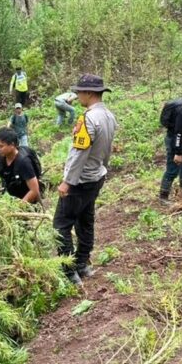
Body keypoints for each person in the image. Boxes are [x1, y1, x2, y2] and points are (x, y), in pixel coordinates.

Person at [54, 74, 117, 286]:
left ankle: (69, 271)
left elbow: (80, 153)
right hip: (96, 177)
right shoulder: (108, 116)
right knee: (86, 220)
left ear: (89, 93)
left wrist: (68, 182)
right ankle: (83, 264)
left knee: (61, 225)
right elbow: (107, 149)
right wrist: (103, 169)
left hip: (79, 182)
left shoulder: (88, 119)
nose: (77, 95)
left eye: (79, 92)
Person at [0, 127, 40, 203]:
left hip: (27, 199)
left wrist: (19, 206)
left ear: (12, 145)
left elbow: (34, 190)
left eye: (1, 146)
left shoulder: (23, 162)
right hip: (10, 195)